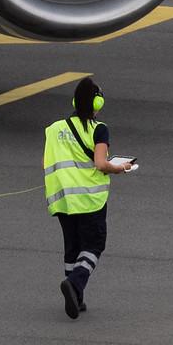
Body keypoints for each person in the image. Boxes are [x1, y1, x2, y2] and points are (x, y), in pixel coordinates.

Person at [42, 76, 135, 319]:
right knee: (94, 244)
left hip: (62, 198)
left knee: (72, 247)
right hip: (89, 198)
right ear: (97, 104)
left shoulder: (53, 129)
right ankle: (75, 283)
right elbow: (101, 163)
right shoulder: (98, 129)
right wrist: (122, 167)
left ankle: (77, 298)